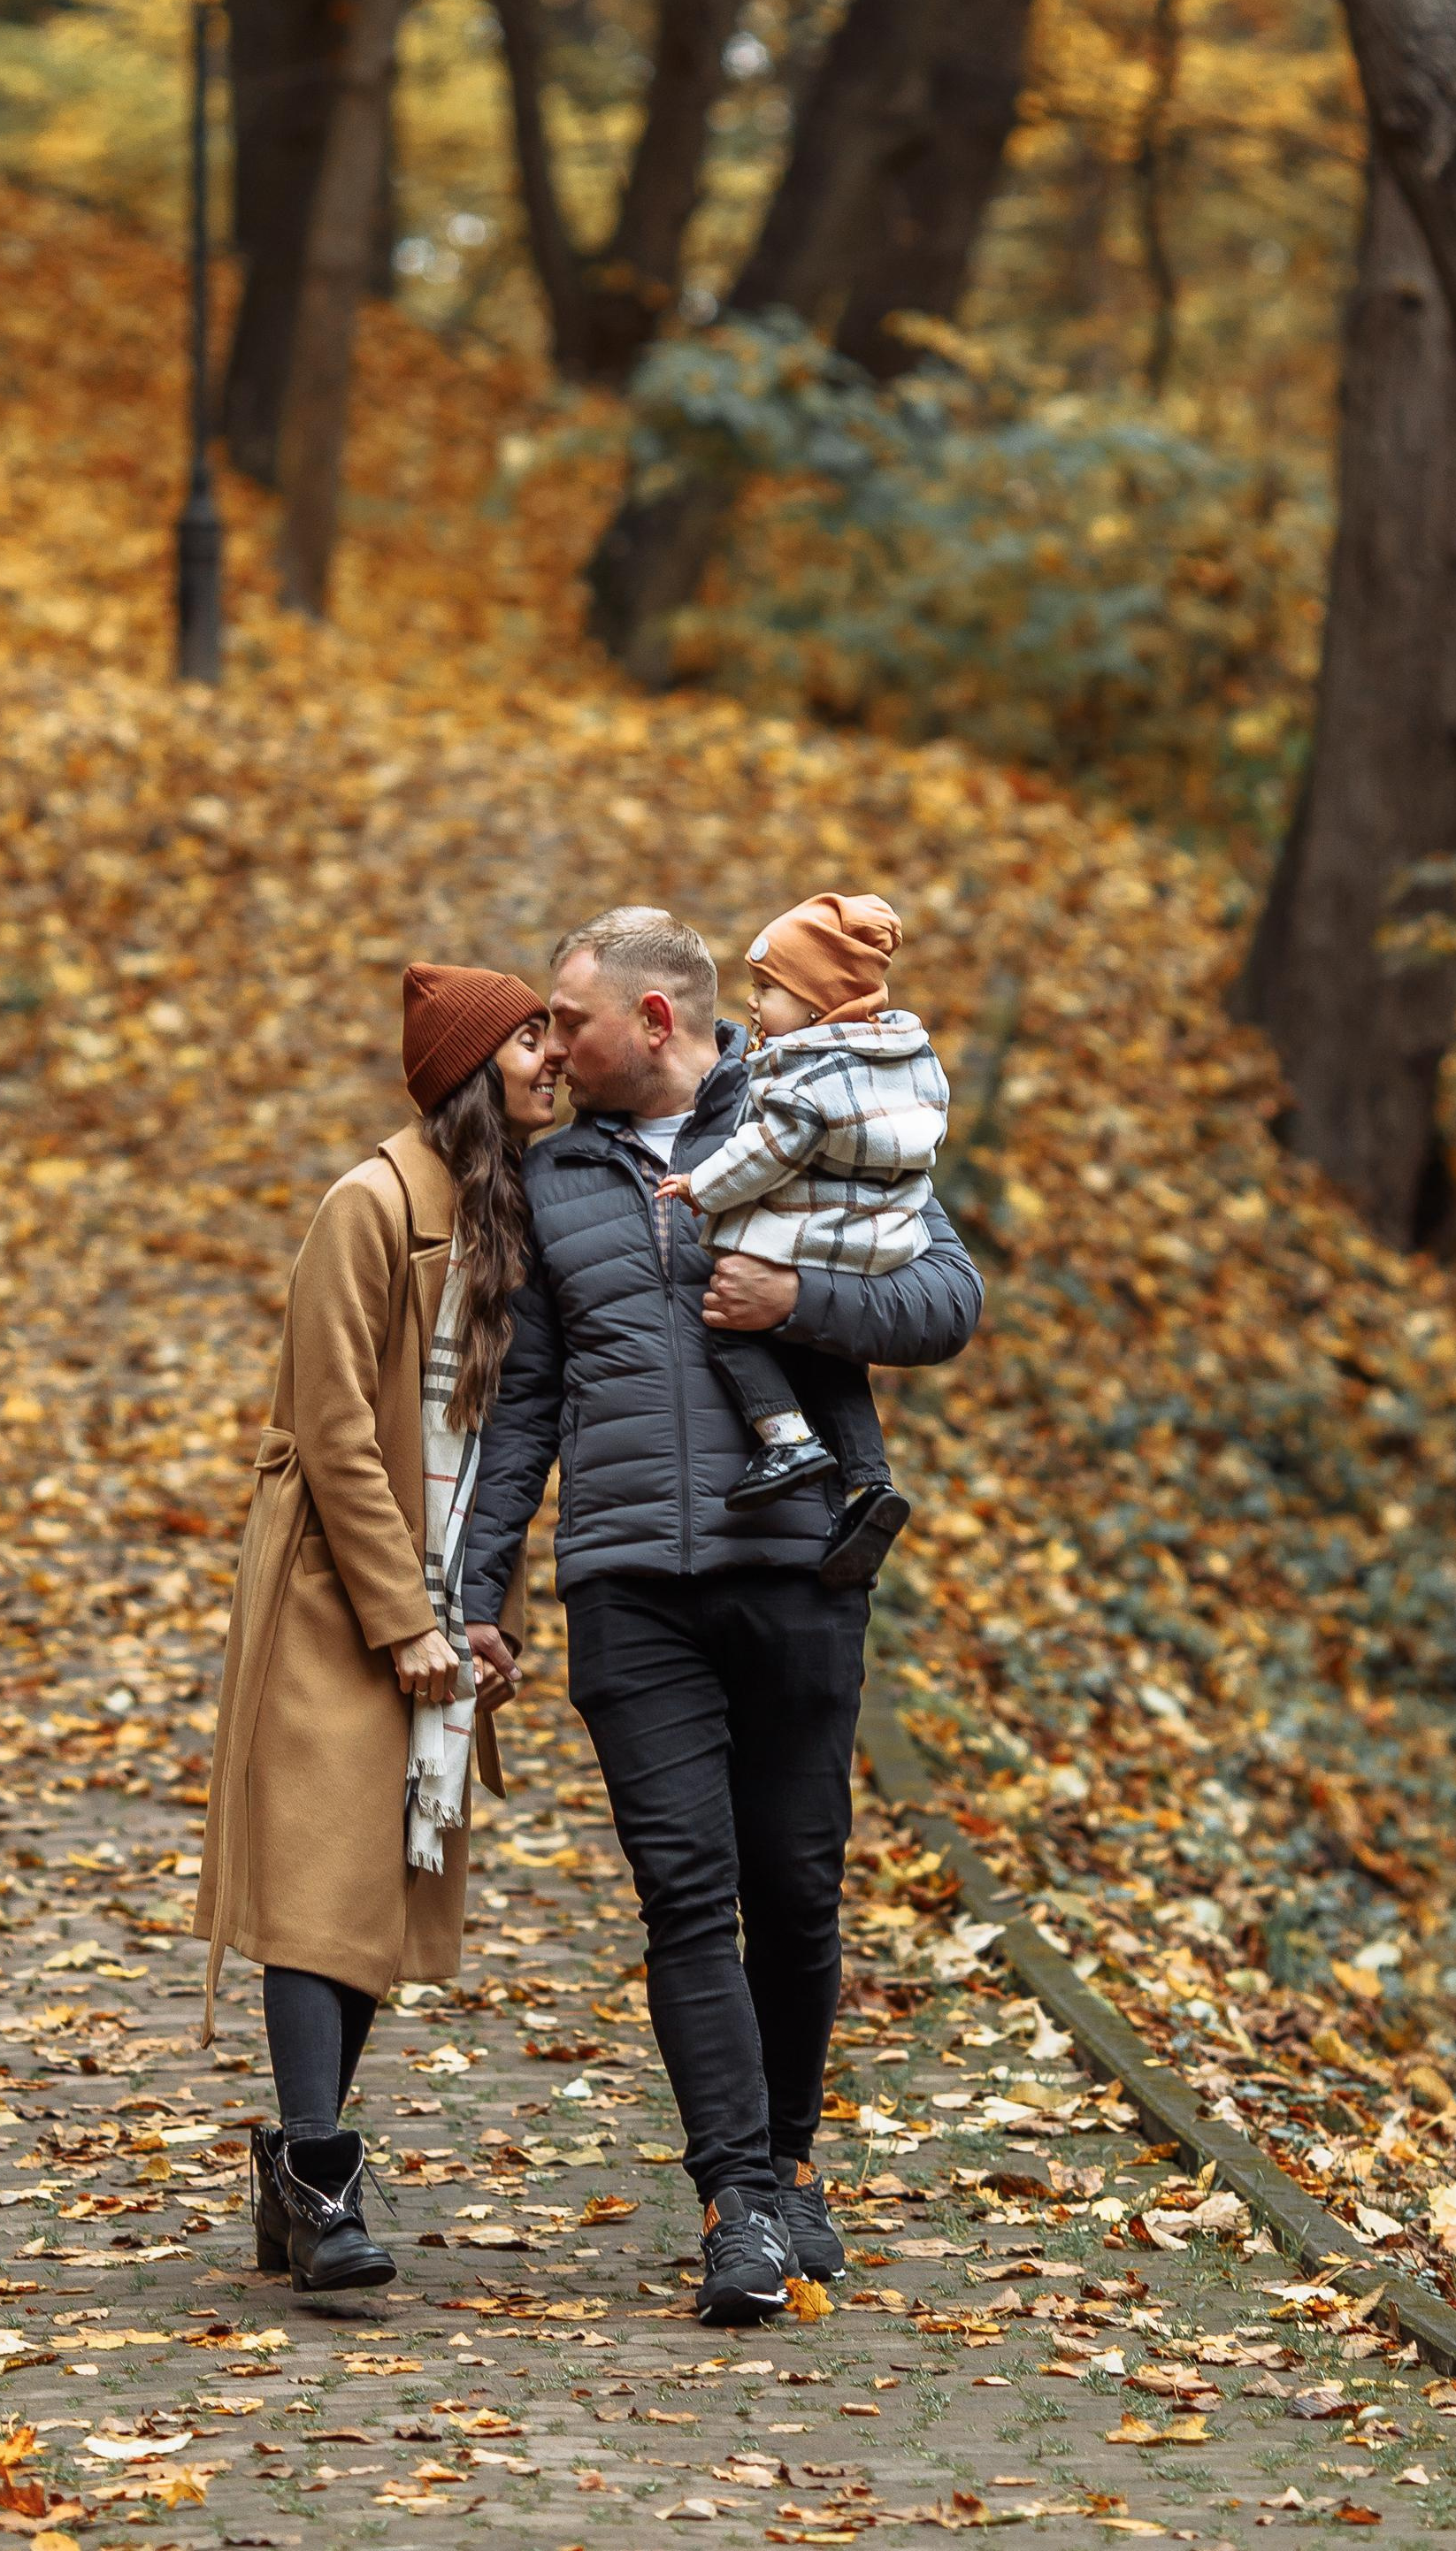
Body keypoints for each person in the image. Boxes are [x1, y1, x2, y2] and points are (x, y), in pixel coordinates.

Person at [461, 908, 981, 2327]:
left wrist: (798, 1298)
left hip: (797, 1561)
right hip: (628, 1581)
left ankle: (791, 2162)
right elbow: (523, 1403)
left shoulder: (817, 1111)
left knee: (795, 1895)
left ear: (651, 1020)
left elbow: (945, 1298)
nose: (547, 1047)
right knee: (684, 1897)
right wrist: (479, 1588)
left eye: (567, 1020)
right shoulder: (553, 1178)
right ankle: (734, 2203)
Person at [195, 960, 547, 2294]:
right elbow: (336, 1425)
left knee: (383, 1876)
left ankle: (297, 2177)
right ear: (466, 1069)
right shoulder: (370, 1204)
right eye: (525, 1043)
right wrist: (402, 1615)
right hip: (333, 1587)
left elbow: (508, 1432)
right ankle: (324, 2184)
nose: (549, 1062)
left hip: (444, 1573)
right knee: (319, 1878)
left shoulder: (502, 1209)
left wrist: (490, 1611)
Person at [655, 890, 948, 1589]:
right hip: (880, 1238)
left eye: (767, 989)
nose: (752, 1003)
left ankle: (785, 1439)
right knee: (828, 1349)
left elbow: (765, 1154)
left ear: (817, 1004)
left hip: (813, 1235)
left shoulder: (807, 1076)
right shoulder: (899, 1055)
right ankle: (870, 1483)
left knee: (729, 1319)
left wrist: (700, 1186)